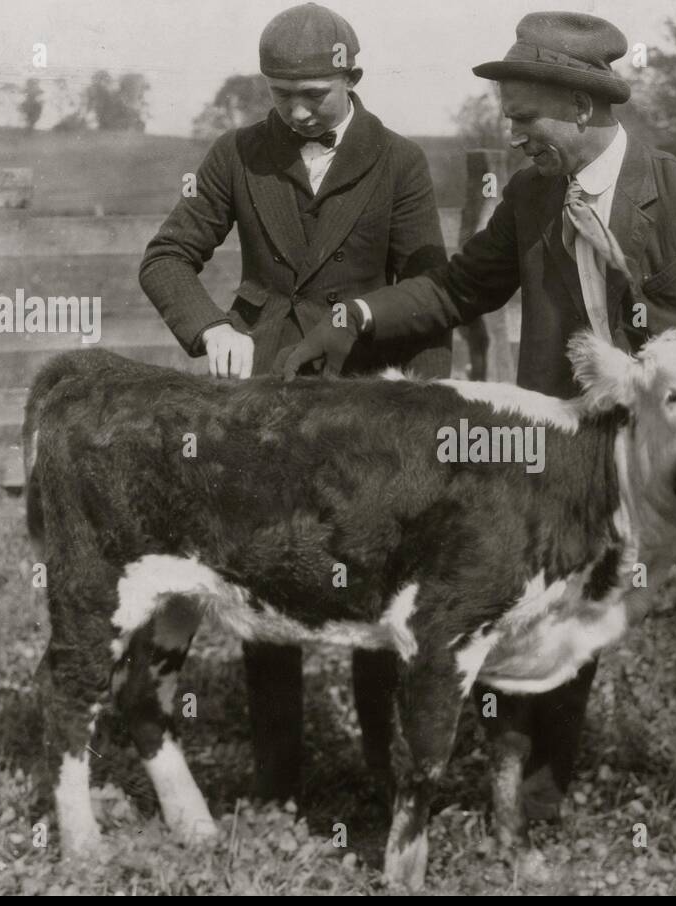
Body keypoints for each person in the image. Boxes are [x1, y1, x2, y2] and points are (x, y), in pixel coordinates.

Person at [279, 10, 676, 870]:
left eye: (525, 119)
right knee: (555, 635)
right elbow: (456, 291)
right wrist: (355, 316)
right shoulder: (532, 199)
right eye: (510, 120)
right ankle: (534, 814)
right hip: (585, 477)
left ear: (583, 109)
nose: (514, 138)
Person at [139, 2, 449, 804]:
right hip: (262, 404)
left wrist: (424, 402)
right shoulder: (237, 153)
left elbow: (428, 290)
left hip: (365, 404)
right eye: (281, 95)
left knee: (379, 578)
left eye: (313, 93)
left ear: (352, 76)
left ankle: (383, 766)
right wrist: (210, 329)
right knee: (261, 574)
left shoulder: (400, 161)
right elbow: (168, 257)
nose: (297, 111)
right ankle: (279, 778)